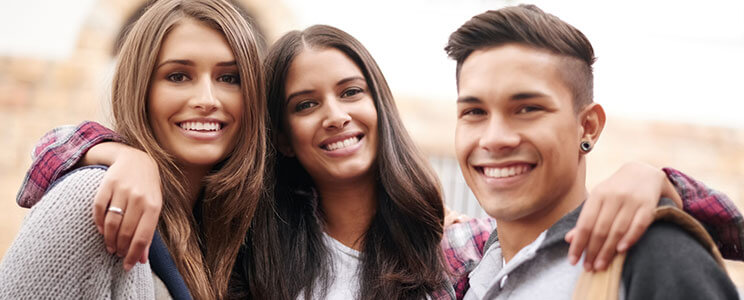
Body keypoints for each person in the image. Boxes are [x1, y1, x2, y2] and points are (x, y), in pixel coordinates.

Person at [14, 20, 742, 300]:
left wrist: (655, 177)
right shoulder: (242, 253)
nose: (333, 115)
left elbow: (722, 234)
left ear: (378, 106)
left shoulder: (457, 252)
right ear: (282, 132)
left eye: (350, 92)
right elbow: (45, 173)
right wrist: (117, 151)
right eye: (303, 104)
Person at [444, 4, 738, 299]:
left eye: (528, 109)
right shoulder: (466, 274)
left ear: (588, 127)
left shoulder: (652, 254)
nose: (494, 139)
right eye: (474, 111)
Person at [0, 0, 267, 299]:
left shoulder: (250, 229)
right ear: (140, 89)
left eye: (229, 78)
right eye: (178, 76)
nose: (207, 99)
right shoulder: (96, 199)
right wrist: (123, 155)